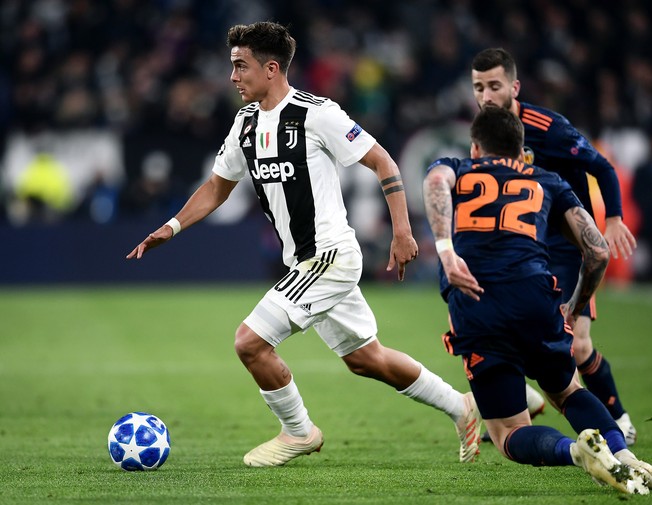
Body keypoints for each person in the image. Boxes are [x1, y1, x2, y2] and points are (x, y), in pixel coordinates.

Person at [127, 21, 480, 467]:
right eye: (232, 66)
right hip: (303, 262)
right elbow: (218, 187)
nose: (233, 77)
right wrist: (171, 227)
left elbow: (382, 160)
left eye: (241, 66)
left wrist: (403, 231)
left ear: (272, 68)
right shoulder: (246, 123)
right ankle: (460, 405)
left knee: (249, 342)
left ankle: (299, 432)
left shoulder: (317, 113)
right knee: (367, 359)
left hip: (330, 256)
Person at [422, 106, 652, 494]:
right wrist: (575, 306)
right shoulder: (548, 180)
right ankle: (624, 457)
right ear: (522, 150)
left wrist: (445, 249)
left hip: (477, 305)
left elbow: (436, 181)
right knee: (568, 390)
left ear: (475, 148)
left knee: (507, 432)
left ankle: (577, 452)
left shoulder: (457, 167)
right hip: (536, 300)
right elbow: (598, 253)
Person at [470, 48, 638, 444]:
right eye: (478, 87)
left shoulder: (548, 127)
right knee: (524, 341)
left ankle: (619, 423)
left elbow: (601, 165)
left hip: (565, 249)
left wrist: (612, 219)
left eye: (494, 86)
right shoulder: (485, 129)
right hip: (523, 252)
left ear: (515, 86)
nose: (486, 96)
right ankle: (533, 410)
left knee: (577, 346)